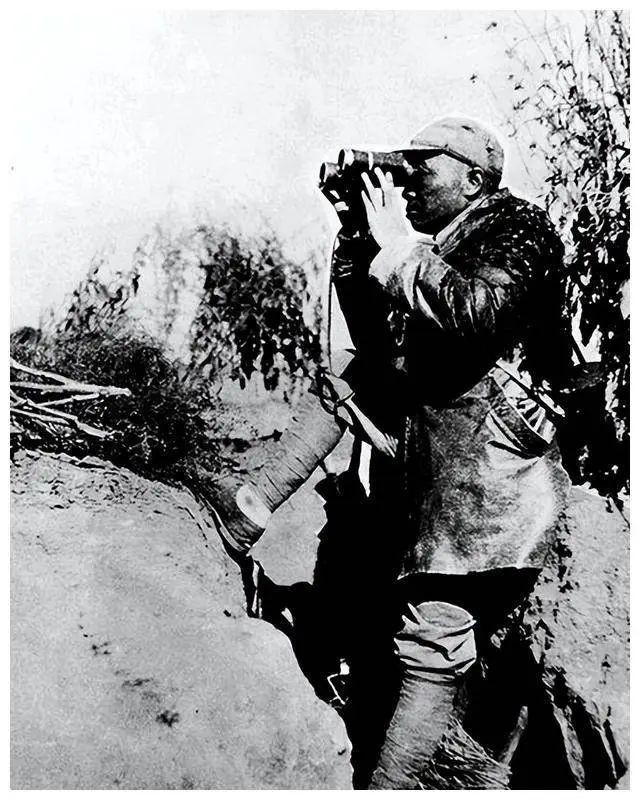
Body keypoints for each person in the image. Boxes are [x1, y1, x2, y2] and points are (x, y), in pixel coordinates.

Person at [207, 117, 572, 788]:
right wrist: (357, 233)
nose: (406, 185)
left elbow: (477, 315)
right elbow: (378, 338)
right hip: (437, 448)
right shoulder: (444, 240)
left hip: (493, 470)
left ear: (473, 180)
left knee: (433, 638)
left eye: (421, 169)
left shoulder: (519, 229)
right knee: (355, 374)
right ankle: (246, 511)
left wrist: (398, 248)